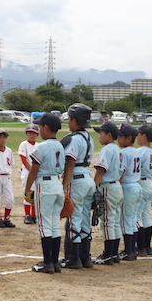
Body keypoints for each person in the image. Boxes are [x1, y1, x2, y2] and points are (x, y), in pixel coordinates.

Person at [24, 113, 65, 273]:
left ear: (46, 128)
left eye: (41, 126)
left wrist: (27, 189)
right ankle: (54, 262)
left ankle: (47, 263)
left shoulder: (40, 147)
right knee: (54, 224)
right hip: (57, 184)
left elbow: (34, 171)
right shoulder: (60, 146)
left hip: (45, 186)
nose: (39, 129)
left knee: (44, 225)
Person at [61, 103, 96, 269]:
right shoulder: (88, 137)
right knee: (83, 218)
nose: (68, 121)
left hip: (77, 179)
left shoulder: (74, 139)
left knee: (74, 218)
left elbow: (70, 162)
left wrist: (64, 184)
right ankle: (85, 257)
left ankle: (73, 259)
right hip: (88, 178)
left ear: (75, 121)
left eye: (69, 118)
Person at [92, 122, 123, 265]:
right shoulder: (118, 149)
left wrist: (94, 188)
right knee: (115, 221)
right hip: (117, 186)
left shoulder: (108, 149)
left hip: (108, 187)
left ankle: (108, 254)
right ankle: (114, 254)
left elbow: (101, 170)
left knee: (108, 222)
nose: (99, 136)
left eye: (101, 133)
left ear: (109, 135)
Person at [117, 123, 142, 261]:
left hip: (128, 187)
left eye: (121, 137)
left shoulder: (124, 152)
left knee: (126, 219)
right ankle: (132, 250)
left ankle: (128, 251)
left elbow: (121, 171)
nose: (118, 139)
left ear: (128, 139)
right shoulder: (136, 151)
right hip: (137, 186)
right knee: (132, 219)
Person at [135, 124, 152, 256]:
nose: (137, 137)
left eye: (139, 134)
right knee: (146, 215)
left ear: (144, 136)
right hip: (149, 182)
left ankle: (141, 247)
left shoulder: (140, 151)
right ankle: (147, 247)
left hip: (141, 183)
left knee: (137, 216)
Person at [18, 124, 39, 224]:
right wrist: (31, 170)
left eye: (34, 133)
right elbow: (23, 158)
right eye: (30, 133)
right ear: (26, 134)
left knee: (35, 193)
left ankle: (34, 215)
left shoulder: (38, 145)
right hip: (27, 171)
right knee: (28, 192)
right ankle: (27, 215)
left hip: (36, 171)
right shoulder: (24, 144)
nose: (32, 135)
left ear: (37, 134)